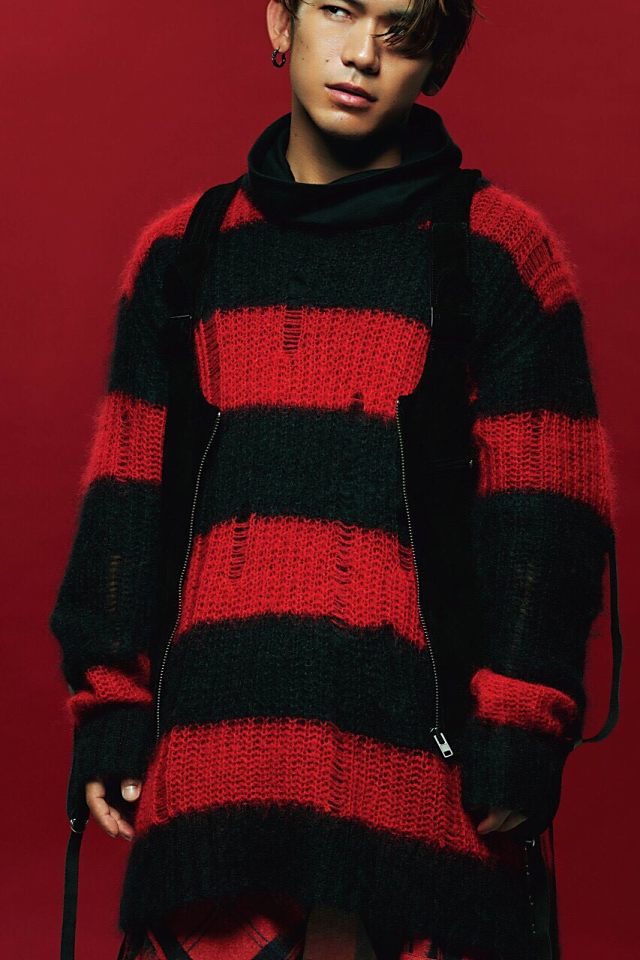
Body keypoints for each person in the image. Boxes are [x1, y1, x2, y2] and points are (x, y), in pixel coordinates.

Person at [50, 2, 620, 959]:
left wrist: (524, 721)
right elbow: (126, 497)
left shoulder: (495, 253)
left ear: (440, 60)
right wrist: (110, 702)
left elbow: (545, 520)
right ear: (281, 21)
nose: (361, 54)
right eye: (339, 9)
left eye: (402, 31)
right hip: (217, 764)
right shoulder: (183, 254)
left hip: (421, 782)